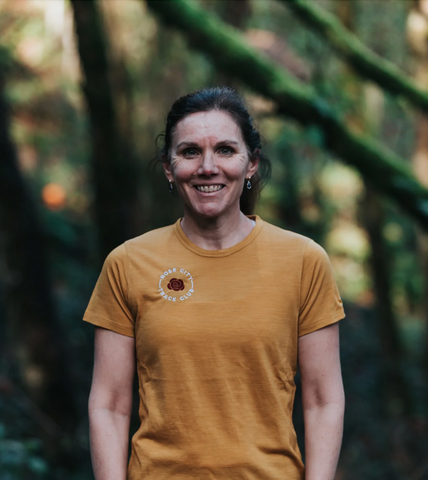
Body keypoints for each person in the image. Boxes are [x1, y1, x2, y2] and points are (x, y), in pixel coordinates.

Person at [83, 87, 345, 480]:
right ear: (169, 168)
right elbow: (110, 404)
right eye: (190, 152)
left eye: (225, 150)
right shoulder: (127, 263)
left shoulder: (304, 261)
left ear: (251, 163)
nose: (208, 167)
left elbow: (323, 400)